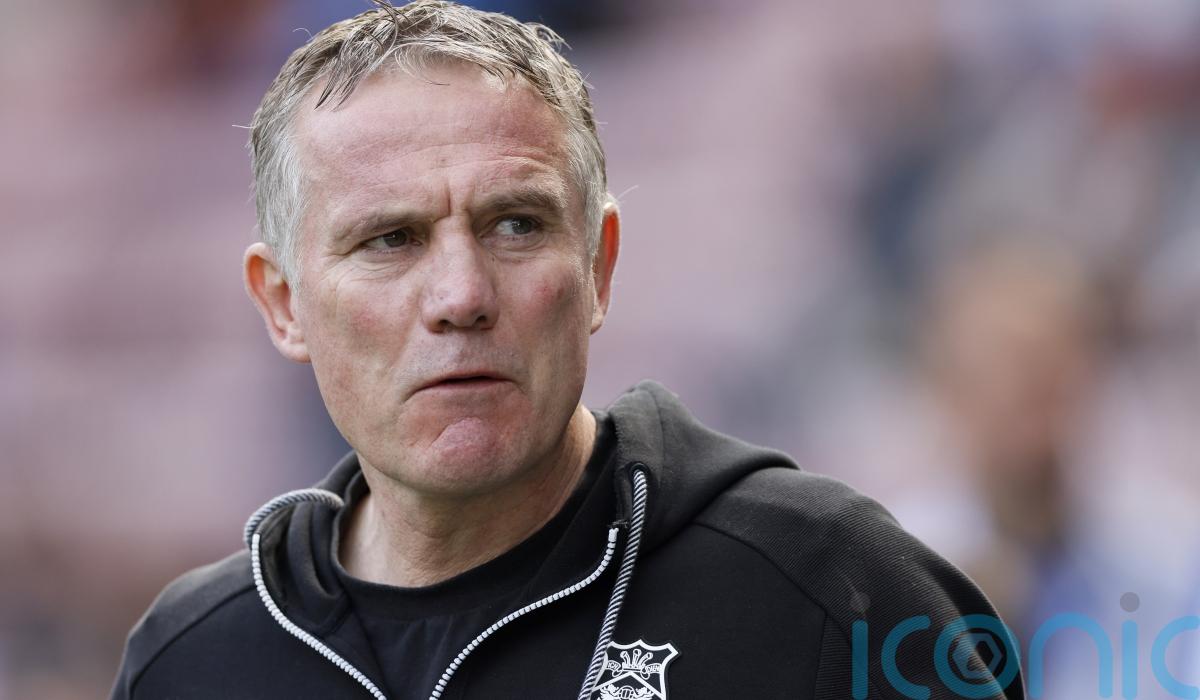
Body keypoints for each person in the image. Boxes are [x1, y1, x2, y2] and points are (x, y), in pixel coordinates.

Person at [111, 2, 1024, 698]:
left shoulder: (832, 588)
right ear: (283, 305)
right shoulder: (193, 662)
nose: (461, 296)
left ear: (598, 266)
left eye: (516, 224)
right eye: (390, 240)